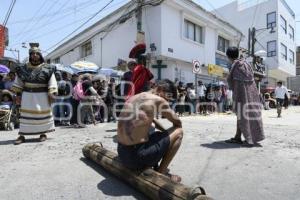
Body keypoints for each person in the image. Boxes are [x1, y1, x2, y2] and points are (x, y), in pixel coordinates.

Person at [117, 79, 183, 182]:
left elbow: (150, 120)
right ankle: (161, 173)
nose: (168, 102)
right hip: (136, 158)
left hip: (122, 152)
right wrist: (170, 136)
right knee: (179, 132)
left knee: (155, 133)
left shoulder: (135, 97)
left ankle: (152, 161)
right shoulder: (158, 100)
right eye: (168, 98)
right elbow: (178, 123)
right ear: (160, 90)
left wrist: (165, 134)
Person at [11, 43, 58, 144]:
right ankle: (22, 135)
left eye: (37, 53)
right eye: (32, 53)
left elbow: (52, 81)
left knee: (41, 116)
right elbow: (18, 82)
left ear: (40, 55)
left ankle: (43, 133)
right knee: (25, 116)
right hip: (27, 96)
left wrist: (52, 92)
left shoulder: (48, 68)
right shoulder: (22, 68)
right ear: (30, 55)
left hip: (42, 96)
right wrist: (18, 95)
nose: (35, 55)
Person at [225, 47, 264, 146]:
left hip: (241, 95)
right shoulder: (246, 64)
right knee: (244, 115)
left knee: (242, 115)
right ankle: (238, 137)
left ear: (228, 57)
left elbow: (231, 81)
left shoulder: (236, 65)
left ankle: (249, 138)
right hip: (252, 94)